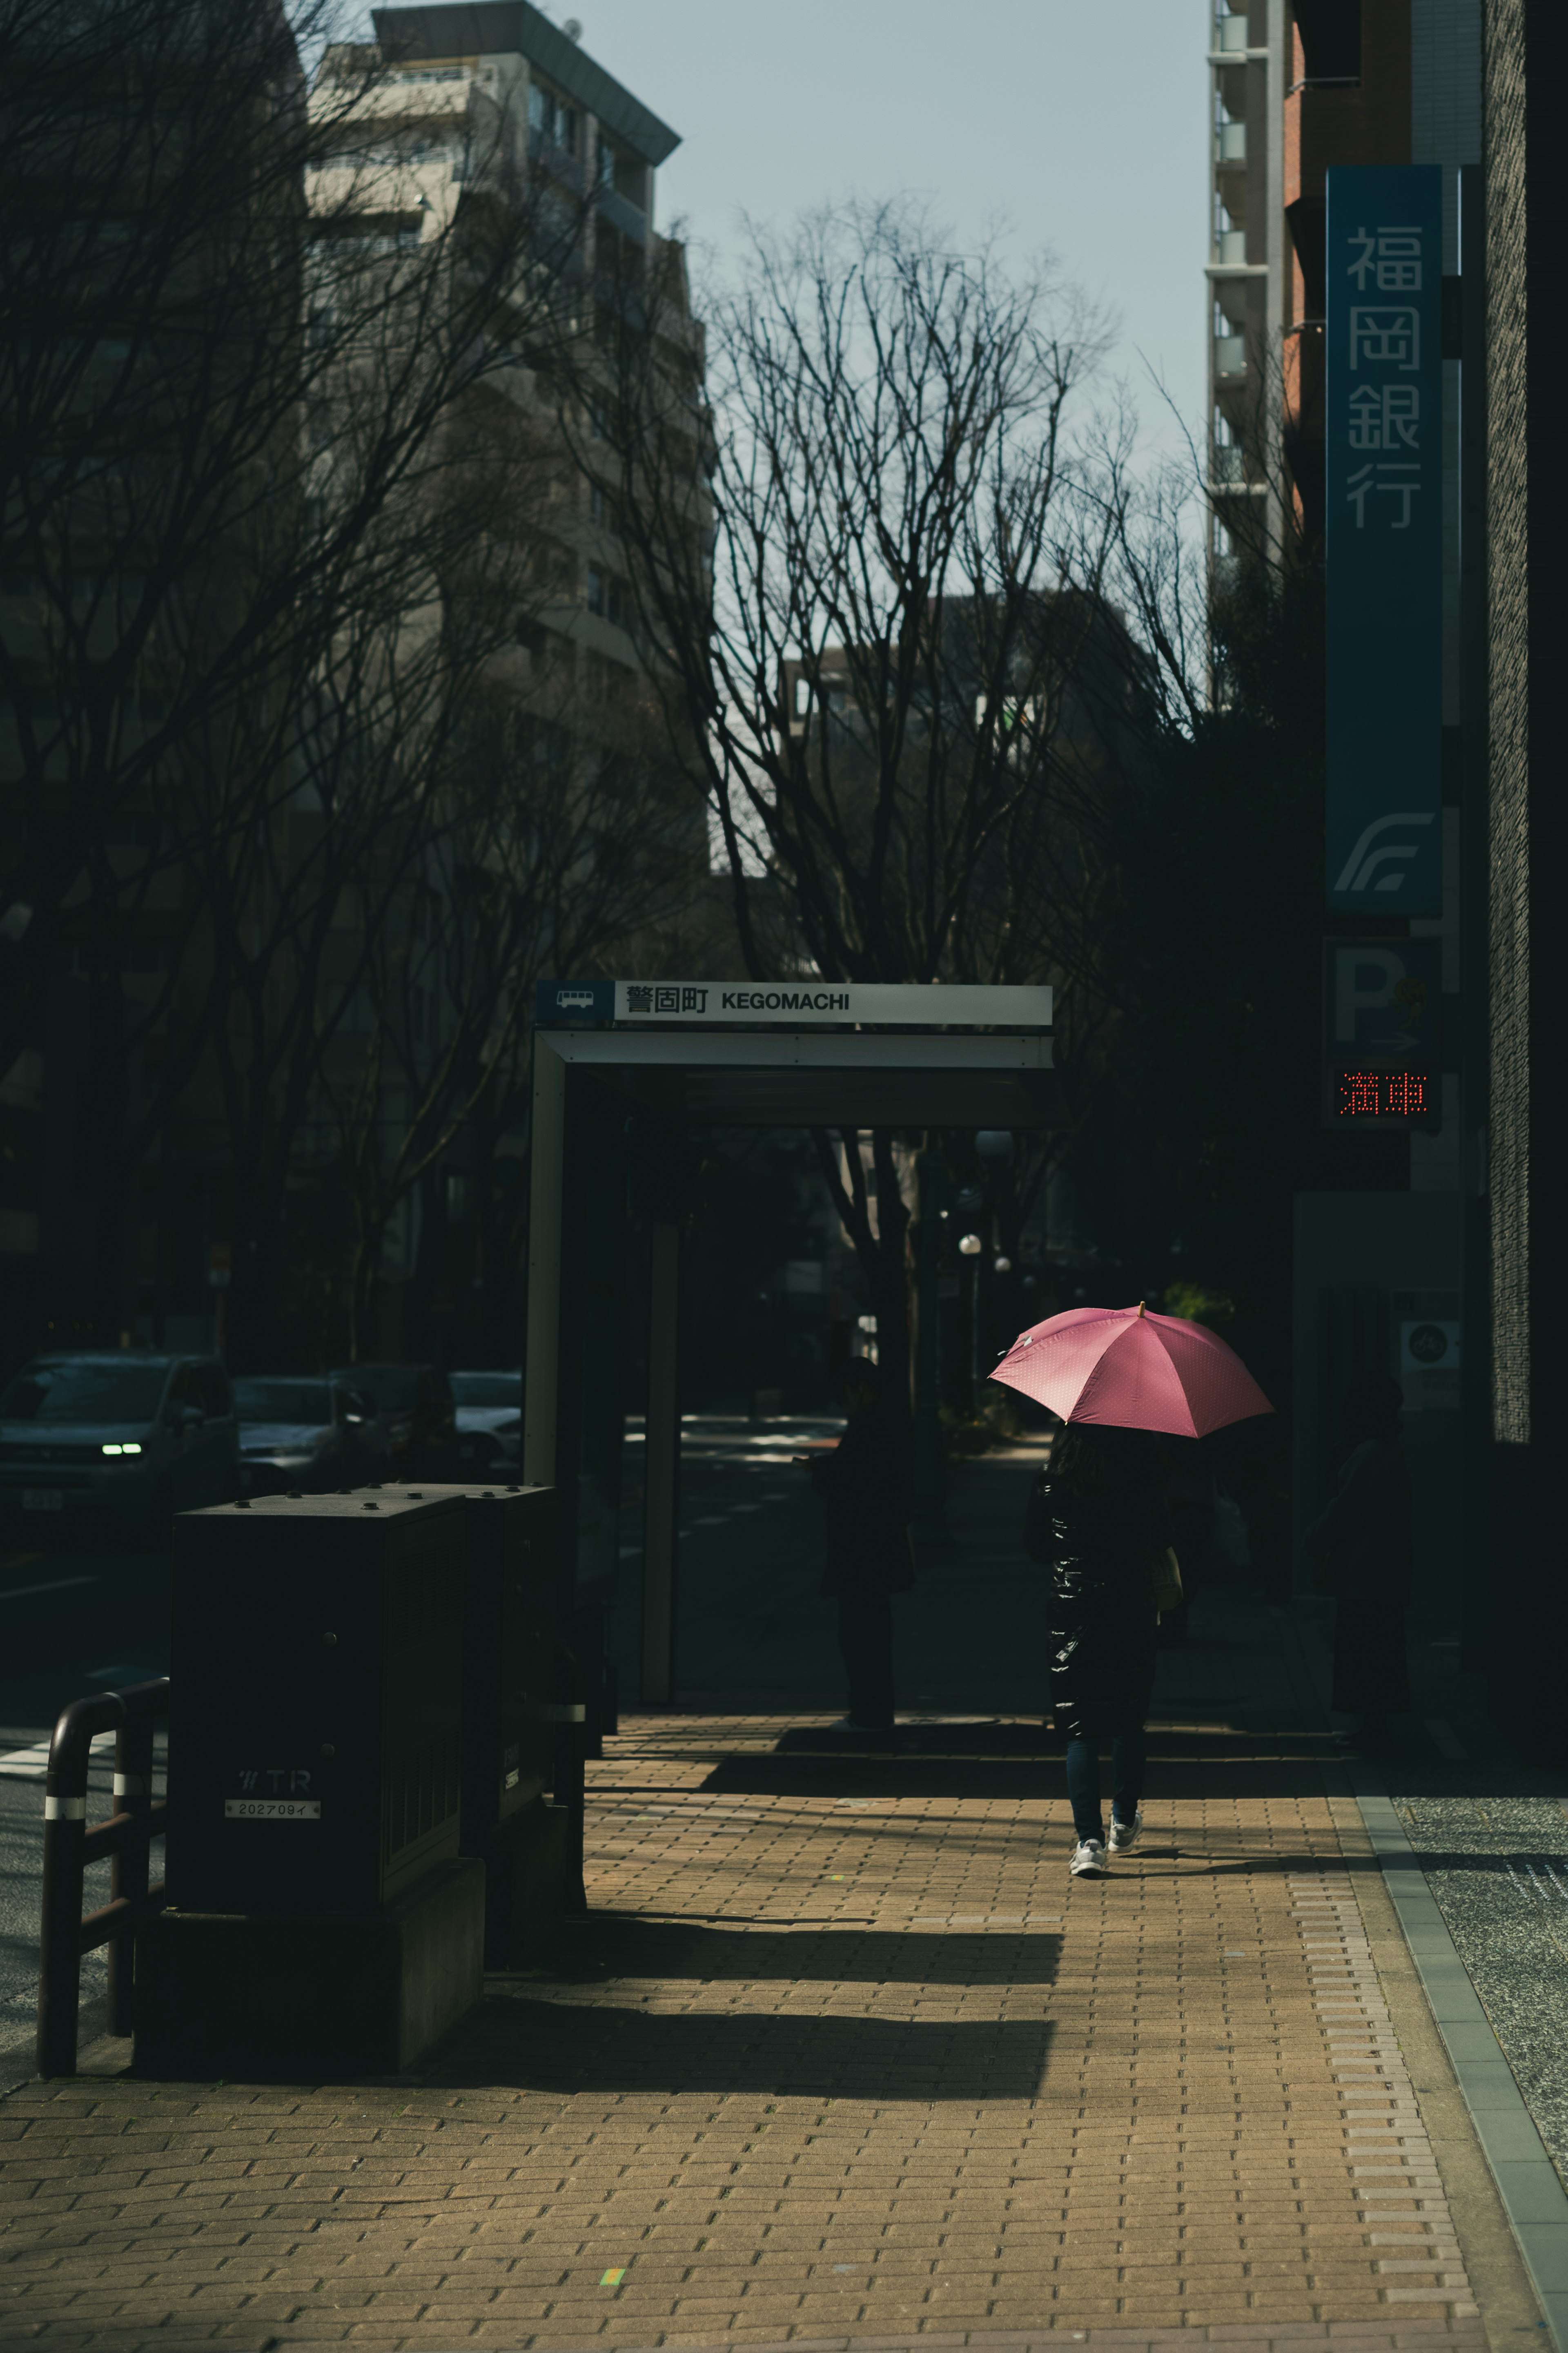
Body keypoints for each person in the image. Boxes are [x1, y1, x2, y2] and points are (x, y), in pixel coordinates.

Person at [1026, 1419, 1171, 1877]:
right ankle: (1123, 1821)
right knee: (1129, 1712)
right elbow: (1164, 1536)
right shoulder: (1143, 1469)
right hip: (1131, 1603)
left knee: (1080, 1723)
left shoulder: (1056, 1476)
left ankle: (1088, 1841)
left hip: (1074, 1607)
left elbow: (1035, 1546)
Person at [795, 1358, 913, 1732]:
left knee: (861, 1635)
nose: (843, 1403)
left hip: (863, 1548)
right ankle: (873, 1710)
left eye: (844, 1395)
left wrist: (823, 1472)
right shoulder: (887, 1423)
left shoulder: (869, 1425)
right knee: (871, 1632)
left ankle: (868, 1713)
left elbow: (855, 1480)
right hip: (878, 1546)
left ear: (859, 1389)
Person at [1304, 1372, 1412, 1755]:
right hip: (1383, 1568)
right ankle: (1374, 1725)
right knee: (1377, 1646)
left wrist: (1315, 1537)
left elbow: (1347, 1508)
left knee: (1366, 1646)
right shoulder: (1386, 1448)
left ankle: (1375, 1727)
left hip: (1369, 1569)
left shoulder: (1371, 1453)